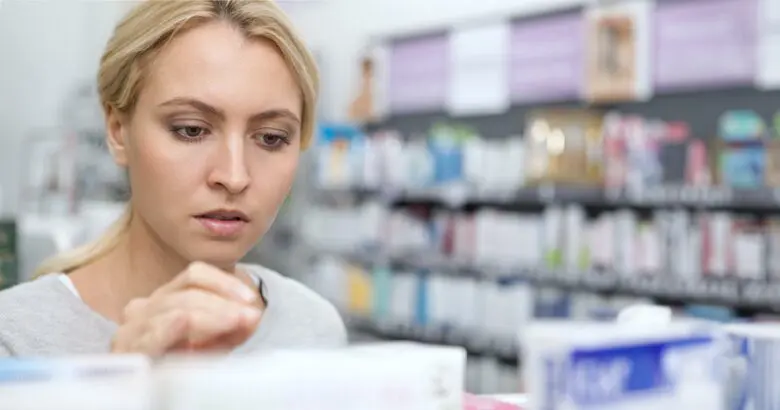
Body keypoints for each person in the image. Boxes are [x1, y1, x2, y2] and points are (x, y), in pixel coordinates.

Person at [0, 0, 346, 357]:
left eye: (271, 137)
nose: (234, 176)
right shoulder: (16, 340)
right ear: (118, 130)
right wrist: (120, 380)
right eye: (191, 130)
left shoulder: (312, 330)